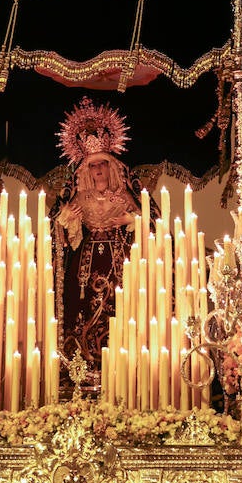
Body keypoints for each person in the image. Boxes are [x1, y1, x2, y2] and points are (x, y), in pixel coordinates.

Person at [52, 97, 153, 380]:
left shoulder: (124, 196)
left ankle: (122, 364)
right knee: (81, 305)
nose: (98, 170)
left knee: (118, 306)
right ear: (86, 169)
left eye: (103, 165)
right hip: (85, 262)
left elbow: (149, 220)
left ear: (112, 167)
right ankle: (82, 366)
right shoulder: (79, 197)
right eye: (93, 165)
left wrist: (133, 220)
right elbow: (61, 233)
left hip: (118, 259)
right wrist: (64, 220)